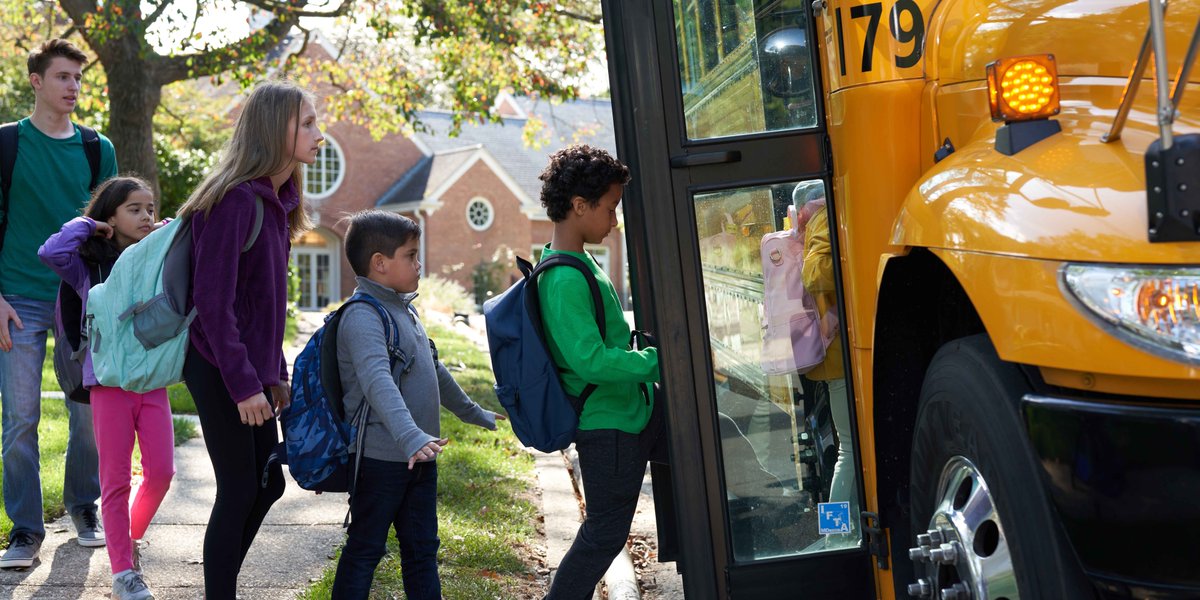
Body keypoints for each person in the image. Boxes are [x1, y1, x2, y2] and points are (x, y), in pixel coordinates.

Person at [176, 80, 320, 599]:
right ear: (272, 127)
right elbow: (213, 306)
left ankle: (221, 585)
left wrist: (274, 375)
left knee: (269, 482)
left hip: (246, 369)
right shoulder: (234, 200)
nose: (317, 134)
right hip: (215, 364)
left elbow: (263, 307)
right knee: (239, 488)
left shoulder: (279, 203)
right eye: (306, 123)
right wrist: (244, 385)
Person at [330, 210, 503, 599]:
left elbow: (432, 369)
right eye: (410, 255)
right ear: (380, 264)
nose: (419, 263)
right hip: (379, 461)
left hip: (420, 457)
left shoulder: (403, 310)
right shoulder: (363, 316)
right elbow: (378, 383)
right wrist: (410, 436)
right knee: (365, 551)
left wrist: (471, 412)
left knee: (422, 551)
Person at [0, 38, 114, 569]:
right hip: (16, 300)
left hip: (79, 300)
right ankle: (25, 529)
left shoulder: (98, 149)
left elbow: (108, 231)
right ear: (37, 81)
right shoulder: (6, 145)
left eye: (78, 78)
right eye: (63, 77)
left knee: (87, 415)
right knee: (20, 419)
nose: (73, 87)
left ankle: (84, 507)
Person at [537, 144, 664, 600]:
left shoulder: (582, 263)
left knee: (707, 446)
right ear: (579, 206)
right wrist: (659, 363)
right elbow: (589, 359)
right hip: (608, 427)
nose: (614, 221)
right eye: (610, 209)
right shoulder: (563, 278)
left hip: (633, 412)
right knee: (605, 536)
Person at [38, 176, 172, 599]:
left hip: (152, 380)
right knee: (114, 480)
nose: (146, 216)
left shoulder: (157, 257)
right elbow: (50, 251)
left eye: (150, 208)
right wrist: (87, 226)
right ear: (109, 216)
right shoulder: (87, 264)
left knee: (162, 474)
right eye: (134, 208)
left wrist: (169, 232)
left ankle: (126, 539)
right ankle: (122, 573)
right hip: (107, 384)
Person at [795, 180, 859, 547]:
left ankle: (838, 531)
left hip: (833, 355)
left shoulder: (815, 219)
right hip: (837, 358)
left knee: (845, 447)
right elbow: (814, 273)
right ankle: (834, 535)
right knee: (847, 450)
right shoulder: (822, 218)